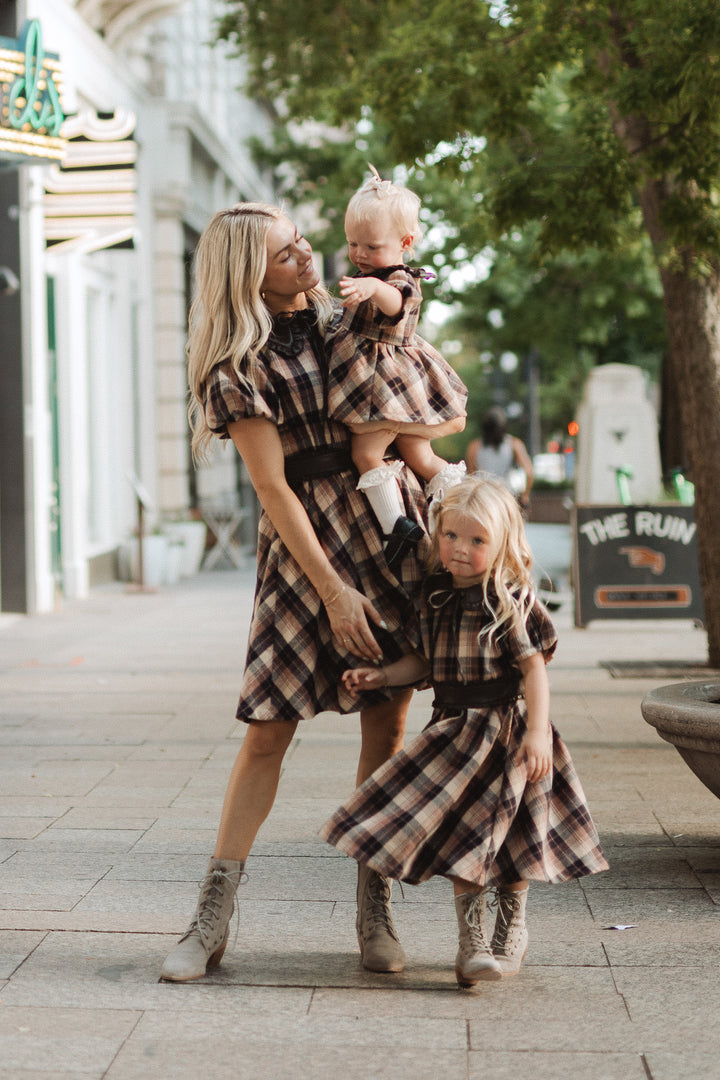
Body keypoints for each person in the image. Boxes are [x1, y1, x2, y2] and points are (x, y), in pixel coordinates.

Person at [161, 203, 430, 983]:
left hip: (383, 528)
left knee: (386, 719)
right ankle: (210, 918)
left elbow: (408, 346)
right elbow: (273, 489)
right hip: (304, 549)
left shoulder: (344, 317)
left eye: (304, 241)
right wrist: (336, 594)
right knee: (268, 729)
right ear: (249, 272)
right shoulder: (236, 367)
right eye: (286, 253)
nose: (307, 256)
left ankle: (373, 906)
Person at [319, 474, 608, 987]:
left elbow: (534, 670)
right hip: (454, 734)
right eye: (451, 536)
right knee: (467, 837)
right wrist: (383, 675)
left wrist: (537, 734)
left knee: (516, 837)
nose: (460, 550)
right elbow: (421, 663)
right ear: (438, 532)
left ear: (501, 545)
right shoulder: (433, 597)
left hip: (509, 734)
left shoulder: (507, 599)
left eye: (477, 541)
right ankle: (471, 939)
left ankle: (511, 924)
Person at [328, 167, 468, 567]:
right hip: (385, 385)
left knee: (367, 454)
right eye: (352, 244)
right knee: (420, 457)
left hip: (382, 388)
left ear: (405, 243)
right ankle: (456, 504)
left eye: (370, 246)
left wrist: (373, 288)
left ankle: (396, 526)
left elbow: (396, 303)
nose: (358, 255)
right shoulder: (370, 273)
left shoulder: (400, 280)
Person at [465, 406, 534, 510]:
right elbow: (529, 472)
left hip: (482, 497)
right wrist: (525, 496)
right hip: (505, 496)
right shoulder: (514, 444)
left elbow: (471, 476)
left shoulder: (474, 447)